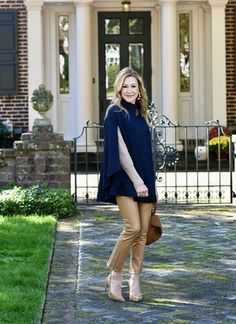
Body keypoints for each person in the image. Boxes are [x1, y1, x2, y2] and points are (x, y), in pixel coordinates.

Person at [97, 67, 157, 302]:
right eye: (125, 86)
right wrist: (137, 181)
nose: (130, 90)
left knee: (142, 233)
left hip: (146, 180)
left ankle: (135, 280)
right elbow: (121, 152)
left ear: (139, 90)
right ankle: (115, 275)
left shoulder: (143, 115)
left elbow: (145, 153)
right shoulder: (114, 112)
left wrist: (149, 184)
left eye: (134, 86)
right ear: (119, 89)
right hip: (126, 179)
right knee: (132, 228)